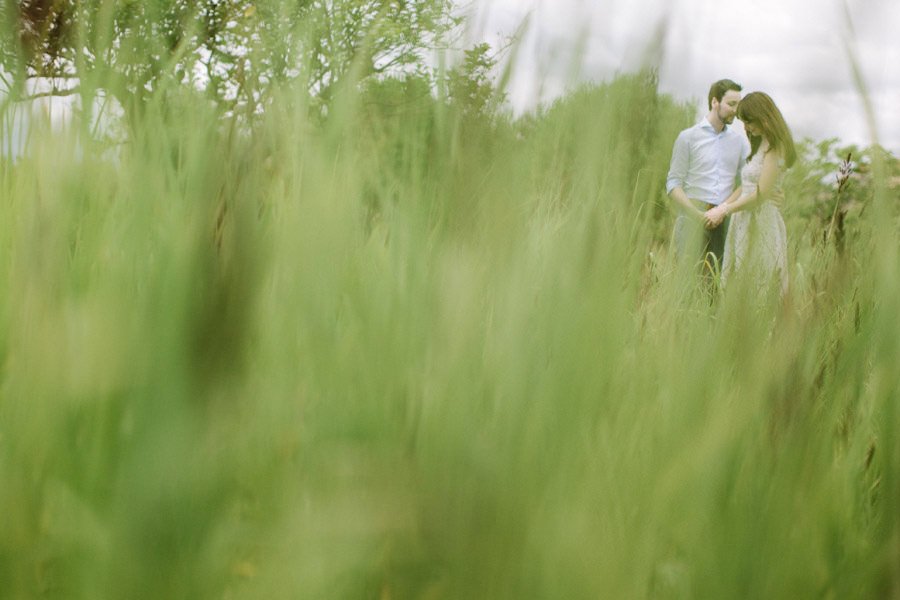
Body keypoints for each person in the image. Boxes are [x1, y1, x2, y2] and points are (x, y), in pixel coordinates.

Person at [703, 91, 796, 297]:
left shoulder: (775, 147)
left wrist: (725, 210)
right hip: (743, 221)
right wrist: (721, 207)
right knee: (738, 283)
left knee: (760, 285)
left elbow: (760, 195)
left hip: (761, 222)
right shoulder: (759, 144)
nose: (746, 127)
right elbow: (745, 187)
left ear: (764, 118)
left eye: (748, 121)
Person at [666, 79, 750, 274]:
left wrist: (722, 209)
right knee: (686, 283)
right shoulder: (687, 137)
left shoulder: (739, 142)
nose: (736, 111)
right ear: (715, 102)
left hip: (724, 220)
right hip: (690, 218)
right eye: (731, 104)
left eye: (738, 105)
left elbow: (746, 181)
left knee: (719, 284)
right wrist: (696, 213)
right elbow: (673, 183)